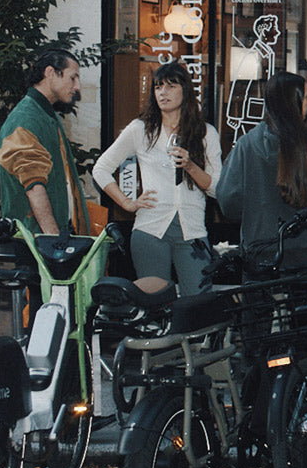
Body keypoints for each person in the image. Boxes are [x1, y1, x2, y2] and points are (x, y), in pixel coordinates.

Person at [93, 61, 222, 294]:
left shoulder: (206, 133)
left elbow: (216, 188)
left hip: (193, 232)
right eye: (158, 87)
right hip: (150, 230)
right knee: (154, 302)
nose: (163, 92)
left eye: (171, 86)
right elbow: (101, 169)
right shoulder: (140, 129)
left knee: (199, 301)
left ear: (185, 90)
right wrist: (127, 203)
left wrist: (190, 166)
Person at [219, 71, 307, 271]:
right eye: (306, 97)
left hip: (261, 251)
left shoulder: (246, 145)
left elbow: (229, 204)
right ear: (292, 102)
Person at [0, 49, 89, 237]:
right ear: (50, 73)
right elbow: (34, 188)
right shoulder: (26, 118)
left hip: (48, 240)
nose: (77, 86)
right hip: (36, 242)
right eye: (72, 78)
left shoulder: (45, 114)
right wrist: (53, 239)